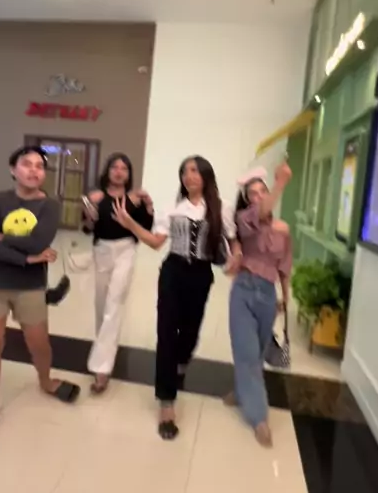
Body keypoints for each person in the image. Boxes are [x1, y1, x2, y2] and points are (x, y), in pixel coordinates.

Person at [112, 155, 238, 440]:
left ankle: (181, 360)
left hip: (201, 274)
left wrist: (237, 255)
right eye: (184, 172)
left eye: (194, 171)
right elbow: (156, 243)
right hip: (173, 271)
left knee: (190, 333)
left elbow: (232, 239)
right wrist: (130, 224)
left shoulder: (222, 208)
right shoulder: (172, 208)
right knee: (166, 333)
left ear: (205, 175)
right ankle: (166, 402)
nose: (188, 176)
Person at [0, 145, 81, 442]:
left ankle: (46, 381)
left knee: (39, 344)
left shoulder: (49, 206)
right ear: (13, 169)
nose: (33, 170)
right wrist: (27, 259)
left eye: (39, 166)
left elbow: (38, 241)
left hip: (30, 288)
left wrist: (2, 237)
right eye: (26, 164)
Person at [228, 162, 292, 448]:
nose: (257, 196)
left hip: (267, 294)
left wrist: (285, 299)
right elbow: (262, 212)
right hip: (243, 290)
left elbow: (285, 266)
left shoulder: (283, 229)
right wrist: (280, 183)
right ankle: (259, 418)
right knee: (247, 352)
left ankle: (242, 392)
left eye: (261, 191)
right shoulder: (244, 219)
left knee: (258, 352)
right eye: (252, 193)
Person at [84, 152, 154, 393]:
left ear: (129, 174)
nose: (119, 171)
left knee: (114, 304)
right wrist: (90, 212)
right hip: (101, 251)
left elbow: (147, 228)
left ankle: (101, 370)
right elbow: (87, 228)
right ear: (108, 170)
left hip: (126, 251)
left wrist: (149, 205)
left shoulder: (135, 199)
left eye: (124, 168)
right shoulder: (97, 196)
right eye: (115, 167)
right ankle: (103, 352)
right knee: (101, 305)